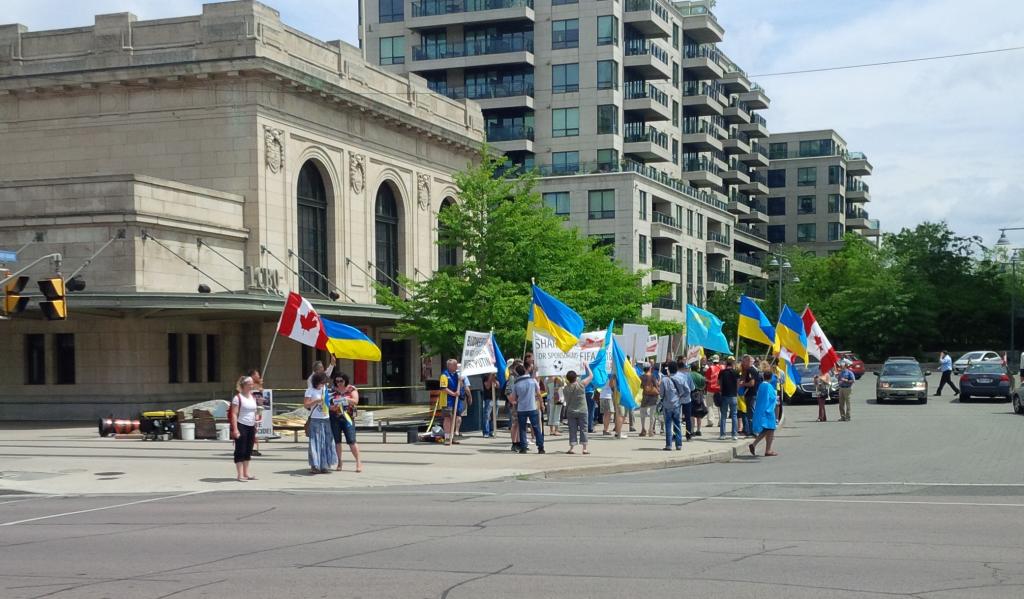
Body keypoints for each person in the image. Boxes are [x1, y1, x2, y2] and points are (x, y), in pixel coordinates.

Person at [303, 372, 337, 474]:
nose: (323, 384)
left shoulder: (325, 390)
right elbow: (306, 405)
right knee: (315, 442)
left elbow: (327, 404)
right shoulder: (310, 391)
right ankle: (315, 465)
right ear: (316, 382)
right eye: (322, 382)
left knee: (326, 442)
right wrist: (316, 401)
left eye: (324, 382)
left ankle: (324, 464)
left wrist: (333, 408)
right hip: (315, 419)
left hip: (326, 418)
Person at [329, 373, 363, 473]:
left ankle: (358, 462)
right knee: (337, 441)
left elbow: (356, 401)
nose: (338, 383)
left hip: (348, 418)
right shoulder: (332, 389)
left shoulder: (351, 389)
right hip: (335, 417)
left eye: (341, 381)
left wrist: (346, 399)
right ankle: (339, 462)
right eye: (337, 381)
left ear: (345, 381)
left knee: (351, 440)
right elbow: (327, 403)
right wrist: (332, 407)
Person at [510, 363, 545, 454]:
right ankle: (540, 447)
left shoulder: (516, 384)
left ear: (517, 373)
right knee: (536, 427)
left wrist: (517, 400)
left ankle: (523, 447)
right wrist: (542, 404)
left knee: (522, 428)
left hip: (521, 408)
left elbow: (513, 398)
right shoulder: (533, 381)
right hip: (532, 407)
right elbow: (538, 394)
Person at [229, 375, 258, 482]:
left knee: (248, 449)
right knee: (240, 449)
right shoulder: (238, 398)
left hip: (251, 425)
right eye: (249, 384)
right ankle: (240, 474)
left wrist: (257, 416)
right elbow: (234, 414)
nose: (252, 385)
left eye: (252, 383)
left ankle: (246, 473)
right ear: (244, 385)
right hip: (241, 425)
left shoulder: (253, 397)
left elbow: (254, 411)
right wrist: (235, 429)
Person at [748, 360, 780, 457]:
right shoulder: (769, 386)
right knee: (768, 429)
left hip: (762, 410)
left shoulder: (761, 385)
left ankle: (768, 450)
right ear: (771, 378)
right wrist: (776, 399)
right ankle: (755, 444)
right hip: (768, 411)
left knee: (770, 430)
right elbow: (771, 399)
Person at [563, 365, 593, 454]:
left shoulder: (566, 388)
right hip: (582, 410)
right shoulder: (581, 385)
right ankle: (584, 448)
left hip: (571, 411)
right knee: (584, 429)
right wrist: (587, 366)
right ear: (576, 377)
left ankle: (572, 447)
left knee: (572, 429)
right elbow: (591, 376)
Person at [659, 361, 683, 450]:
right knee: (677, 424)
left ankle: (668, 445)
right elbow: (683, 391)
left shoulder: (664, 380)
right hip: (676, 404)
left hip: (667, 405)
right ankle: (679, 444)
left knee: (668, 425)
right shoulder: (679, 378)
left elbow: (661, 394)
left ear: (668, 369)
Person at [438, 359, 463, 444]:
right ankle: (447, 438)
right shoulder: (444, 375)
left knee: (454, 419)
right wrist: (453, 394)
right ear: (449, 366)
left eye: (456, 365)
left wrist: (461, 381)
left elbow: (461, 386)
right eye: (455, 365)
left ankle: (452, 437)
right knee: (447, 419)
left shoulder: (456, 375)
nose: (456, 366)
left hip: (455, 400)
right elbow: (443, 388)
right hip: (447, 401)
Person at [670, 360, 695, 440]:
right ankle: (688, 435)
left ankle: (675, 434)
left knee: (676, 417)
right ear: (684, 367)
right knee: (688, 417)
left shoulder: (674, 375)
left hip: (677, 399)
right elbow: (692, 388)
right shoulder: (688, 375)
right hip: (687, 399)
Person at [738, 355, 760, 438]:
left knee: (750, 413)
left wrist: (742, 384)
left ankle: (753, 431)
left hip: (751, 394)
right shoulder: (751, 370)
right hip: (751, 394)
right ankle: (750, 430)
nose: (742, 363)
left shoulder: (750, 370)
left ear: (748, 361)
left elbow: (752, 383)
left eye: (744, 362)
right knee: (749, 412)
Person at [718, 356, 740, 440]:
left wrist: (721, 390)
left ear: (726, 364)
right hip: (733, 395)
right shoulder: (736, 372)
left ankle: (722, 434)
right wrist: (736, 391)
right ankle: (734, 434)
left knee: (723, 415)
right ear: (733, 364)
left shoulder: (722, 372)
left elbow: (719, 382)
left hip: (724, 395)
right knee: (734, 415)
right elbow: (738, 383)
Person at [245, 368, 264, 457]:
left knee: (254, 430)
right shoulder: (250, 385)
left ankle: (252, 447)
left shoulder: (256, 385)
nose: (259, 376)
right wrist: (259, 385)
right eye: (257, 374)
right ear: (252, 375)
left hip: (256, 410)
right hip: (251, 411)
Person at [639, 363, 660, 437]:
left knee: (642, 414)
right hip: (653, 397)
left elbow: (640, 386)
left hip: (644, 396)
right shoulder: (653, 376)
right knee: (652, 415)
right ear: (650, 368)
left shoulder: (641, 377)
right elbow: (656, 386)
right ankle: (650, 430)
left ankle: (643, 429)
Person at [689, 363, 708, 436]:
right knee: (699, 414)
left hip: (691, 394)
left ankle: (692, 430)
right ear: (697, 368)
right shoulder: (701, 376)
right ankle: (699, 430)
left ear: (691, 368)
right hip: (699, 395)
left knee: (692, 414)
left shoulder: (689, 375)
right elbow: (704, 385)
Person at [453, 365, 472, 438]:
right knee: (459, 414)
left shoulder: (450, 375)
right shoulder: (464, 376)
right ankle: (456, 431)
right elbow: (466, 388)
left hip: (450, 397)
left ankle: (451, 430)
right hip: (461, 398)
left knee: (451, 414)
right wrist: (470, 397)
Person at [705, 354, 722, 427]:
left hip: (710, 389)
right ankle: (721, 421)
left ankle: (710, 421)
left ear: (712, 360)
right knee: (720, 406)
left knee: (710, 406)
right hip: (719, 389)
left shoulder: (710, 368)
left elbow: (707, 379)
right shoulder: (722, 368)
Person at [481, 372, 499, 438]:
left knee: (494, 416)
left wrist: (494, 379)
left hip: (495, 399)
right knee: (487, 416)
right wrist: (491, 377)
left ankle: (492, 431)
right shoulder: (485, 377)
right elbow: (487, 386)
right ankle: (486, 432)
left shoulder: (496, 377)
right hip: (488, 399)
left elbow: (498, 385)